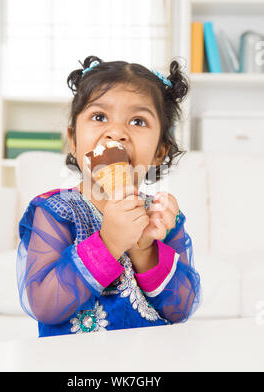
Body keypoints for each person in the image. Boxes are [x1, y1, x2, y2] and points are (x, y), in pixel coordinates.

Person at [16, 55, 201, 338]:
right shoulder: (55, 211)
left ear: (160, 152)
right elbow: (43, 304)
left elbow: (181, 308)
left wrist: (145, 250)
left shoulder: (162, 218)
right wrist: (110, 242)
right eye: (99, 117)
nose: (117, 132)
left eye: (138, 121)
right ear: (74, 140)